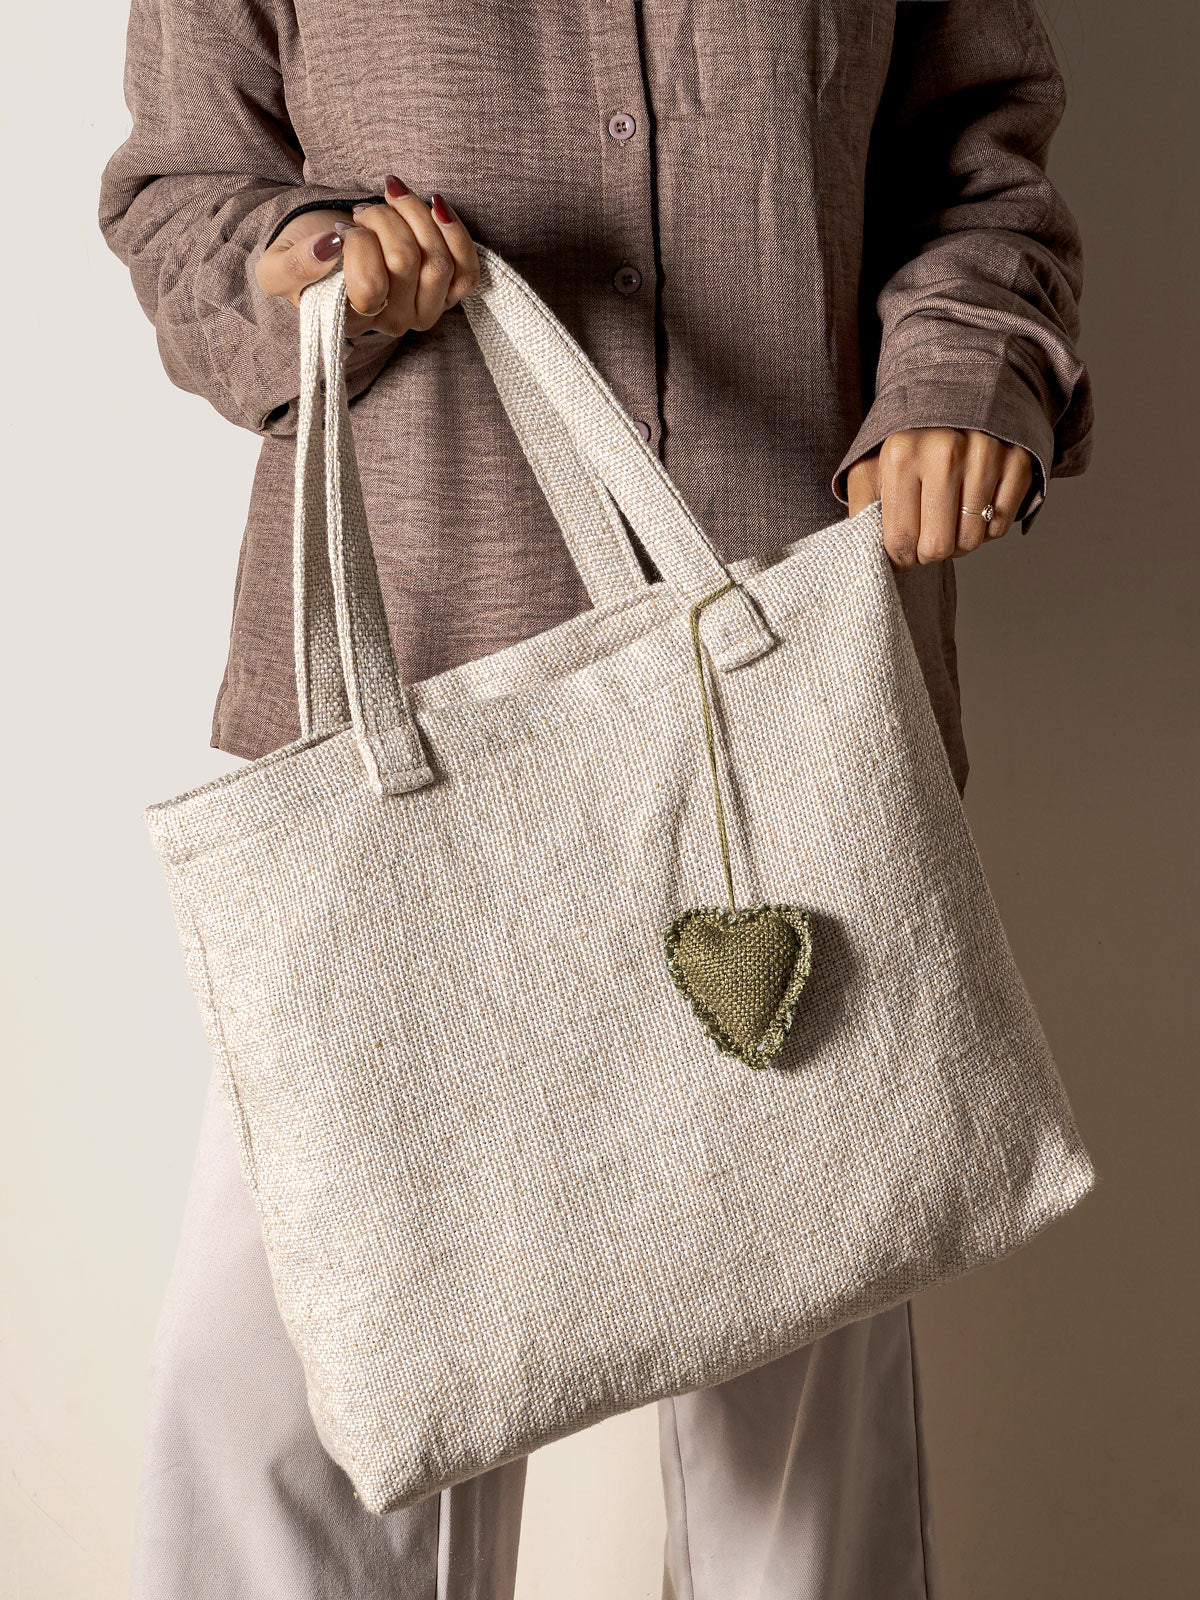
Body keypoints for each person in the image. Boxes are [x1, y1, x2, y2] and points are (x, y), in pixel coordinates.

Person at [99, 1, 1091, 1595]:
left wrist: (963, 377)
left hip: (784, 700)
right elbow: (180, 198)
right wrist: (309, 261)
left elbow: (976, 163)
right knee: (289, 1411)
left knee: (798, 1427)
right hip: (407, 718)